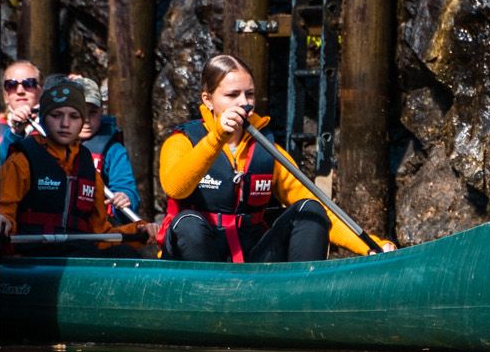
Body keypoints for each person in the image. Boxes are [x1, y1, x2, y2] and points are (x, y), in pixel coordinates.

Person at [157, 52, 394, 262]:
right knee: (187, 222)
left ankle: (300, 299)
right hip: (196, 256)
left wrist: (370, 245)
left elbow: (322, 206)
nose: (244, 103)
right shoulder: (181, 141)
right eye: (232, 95)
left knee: (310, 209)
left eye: (249, 94)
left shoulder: (266, 149)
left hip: (250, 256)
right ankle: (208, 298)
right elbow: (175, 188)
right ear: (208, 100)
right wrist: (217, 137)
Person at [0, 79, 143, 254]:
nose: (65, 124)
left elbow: (102, 234)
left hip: (77, 253)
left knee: (126, 253)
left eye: (74, 117)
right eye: (56, 115)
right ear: (44, 119)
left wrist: (139, 231)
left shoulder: (88, 170)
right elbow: (4, 210)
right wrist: (3, 219)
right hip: (32, 254)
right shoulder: (22, 161)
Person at [65, 75, 140, 222]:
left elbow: (126, 188)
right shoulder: (49, 143)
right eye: (79, 112)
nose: (86, 119)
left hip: (97, 225)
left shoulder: (114, 151)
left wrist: (125, 196)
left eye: (92, 112)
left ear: (101, 112)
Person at [0, 59, 42, 162]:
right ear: (5, 96)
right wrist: (14, 132)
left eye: (29, 83)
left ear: (40, 91)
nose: (20, 91)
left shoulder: (52, 126)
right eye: (11, 85)